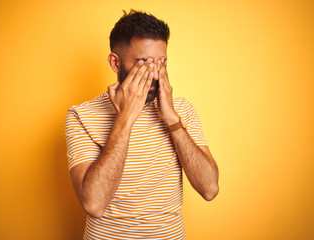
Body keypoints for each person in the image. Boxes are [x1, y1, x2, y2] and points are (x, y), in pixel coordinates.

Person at [65, 9, 219, 240]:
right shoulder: (81, 115)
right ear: (116, 63)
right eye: (144, 62)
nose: (156, 73)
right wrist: (125, 118)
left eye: (162, 62)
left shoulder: (182, 111)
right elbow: (94, 204)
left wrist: (172, 120)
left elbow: (210, 189)